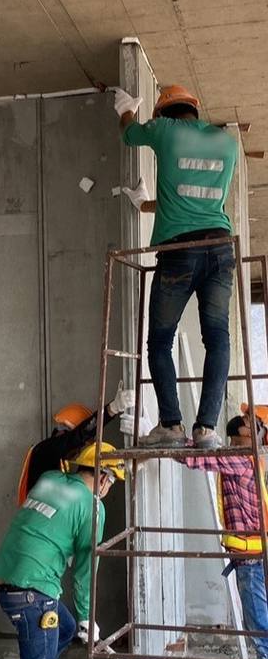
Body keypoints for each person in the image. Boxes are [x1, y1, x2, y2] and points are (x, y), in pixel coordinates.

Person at [114, 83, 238, 450]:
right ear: (194, 109)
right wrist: (145, 205)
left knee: (160, 340)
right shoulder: (226, 142)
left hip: (180, 251)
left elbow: (129, 135)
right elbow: (196, 200)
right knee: (218, 338)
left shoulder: (165, 130)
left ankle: (171, 424)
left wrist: (126, 109)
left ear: (163, 113)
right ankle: (207, 430)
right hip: (220, 247)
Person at [0, 442, 125, 659]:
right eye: (112, 481)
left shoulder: (50, 479)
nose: (109, 489)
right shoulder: (92, 507)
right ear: (104, 477)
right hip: (33, 593)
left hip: (6, 581)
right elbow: (84, 571)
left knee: (63, 630)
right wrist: (87, 617)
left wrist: (76, 623)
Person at [177, 414, 268, 659]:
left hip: (252, 562)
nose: (246, 420)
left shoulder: (240, 459)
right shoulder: (252, 458)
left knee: (262, 634)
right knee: (262, 631)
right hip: (255, 559)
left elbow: (194, 459)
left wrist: (168, 438)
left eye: (251, 421)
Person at [17, 383, 134, 504]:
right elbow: (78, 436)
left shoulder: (58, 459)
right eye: (80, 446)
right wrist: (111, 409)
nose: (79, 451)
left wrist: (123, 466)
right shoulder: (45, 451)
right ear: (66, 431)